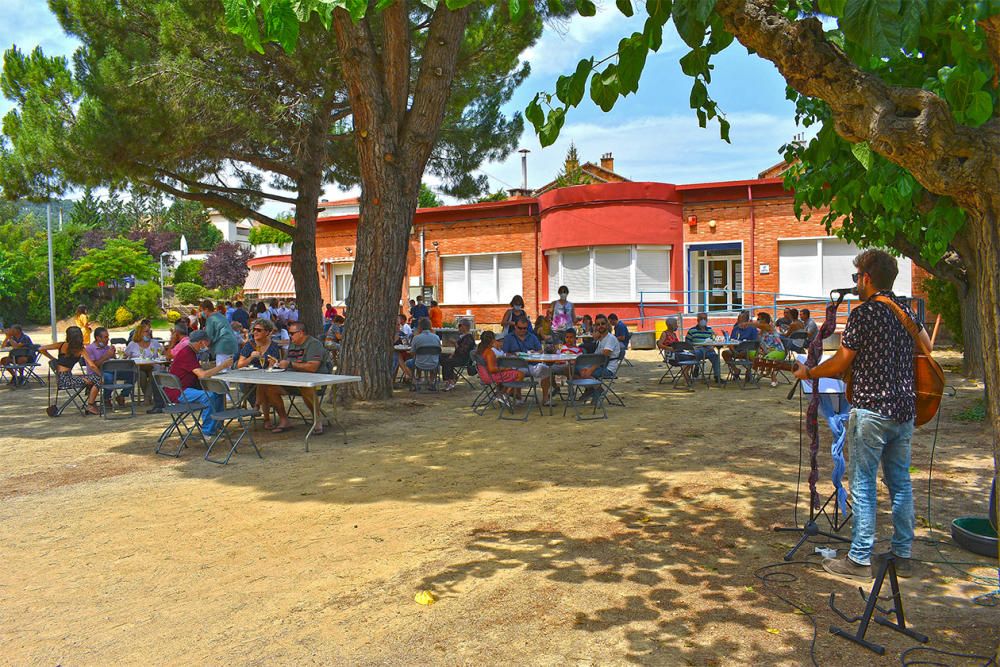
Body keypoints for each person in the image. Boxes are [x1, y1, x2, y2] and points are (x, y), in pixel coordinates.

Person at [794, 249, 925, 582]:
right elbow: (927, 346)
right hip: (904, 410)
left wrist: (809, 373)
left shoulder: (865, 314)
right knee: (900, 484)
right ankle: (902, 555)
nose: (855, 283)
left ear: (866, 278)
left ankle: (859, 558)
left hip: (872, 410)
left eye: (856, 277)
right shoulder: (904, 310)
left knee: (863, 484)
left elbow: (839, 364)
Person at [260, 321, 331, 434]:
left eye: (292, 333)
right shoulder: (293, 344)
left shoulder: (314, 344)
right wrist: (277, 363)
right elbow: (287, 362)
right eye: (289, 333)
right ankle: (284, 420)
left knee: (306, 387)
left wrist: (289, 364)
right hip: (292, 381)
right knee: (269, 387)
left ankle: (317, 420)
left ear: (301, 332)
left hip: (314, 382)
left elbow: (312, 367)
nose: (290, 336)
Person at [155, 330, 229, 433]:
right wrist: (222, 366)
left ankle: (217, 425)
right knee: (209, 396)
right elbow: (202, 375)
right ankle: (208, 431)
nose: (208, 345)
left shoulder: (190, 352)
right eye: (207, 342)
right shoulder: (187, 353)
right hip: (179, 392)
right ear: (201, 342)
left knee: (219, 392)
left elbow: (197, 369)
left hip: (182, 389)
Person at [39, 326, 103, 415]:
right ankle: (90, 404)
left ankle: (91, 401)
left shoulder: (61, 345)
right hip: (68, 379)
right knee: (98, 379)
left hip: (62, 379)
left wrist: (53, 359)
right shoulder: (80, 349)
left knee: (90, 379)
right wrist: (101, 375)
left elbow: (41, 349)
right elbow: (92, 365)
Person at [236, 317, 282, 427]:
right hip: (249, 380)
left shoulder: (273, 346)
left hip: (268, 378)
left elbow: (274, 365)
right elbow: (239, 365)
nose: (255, 332)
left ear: (267, 332)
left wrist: (273, 363)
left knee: (264, 383)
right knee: (263, 384)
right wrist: (250, 358)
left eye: (259, 330)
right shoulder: (249, 345)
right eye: (254, 329)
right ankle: (265, 419)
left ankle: (257, 405)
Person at [502, 316, 552, 405]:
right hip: (517, 366)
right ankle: (518, 397)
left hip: (532, 365)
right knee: (516, 371)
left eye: (524, 328)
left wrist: (535, 352)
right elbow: (504, 354)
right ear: (515, 327)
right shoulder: (508, 338)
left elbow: (540, 350)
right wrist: (514, 354)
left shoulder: (532, 337)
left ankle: (545, 399)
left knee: (546, 369)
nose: (522, 330)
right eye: (520, 328)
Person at [575, 314, 620, 402]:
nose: (600, 326)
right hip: (600, 366)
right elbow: (596, 357)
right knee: (573, 370)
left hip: (607, 369)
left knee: (584, 373)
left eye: (602, 323)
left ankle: (597, 389)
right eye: (598, 324)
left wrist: (590, 369)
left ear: (607, 325)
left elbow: (603, 358)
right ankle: (591, 389)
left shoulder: (610, 339)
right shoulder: (601, 339)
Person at [87, 326, 133, 407]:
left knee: (132, 373)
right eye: (105, 337)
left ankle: (122, 395)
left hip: (112, 371)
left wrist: (117, 356)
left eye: (108, 336)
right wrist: (106, 356)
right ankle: (106, 398)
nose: (108, 339)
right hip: (97, 373)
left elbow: (113, 362)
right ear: (98, 338)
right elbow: (93, 365)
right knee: (109, 377)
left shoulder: (107, 347)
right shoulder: (90, 349)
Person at [475, 330, 523, 405]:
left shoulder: (481, 350)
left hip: (484, 375)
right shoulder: (489, 352)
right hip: (490, 376)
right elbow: (492, 369)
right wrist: (506, 369)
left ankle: (501, 393)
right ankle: (505, 394)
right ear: (492, 340)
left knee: (514, 373)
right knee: (519, 374)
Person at [125, 320, 164, 403]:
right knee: (141, 375)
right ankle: (147, 397)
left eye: (149, 331)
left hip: (152, 366)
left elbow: (162, 353)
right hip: (139, 367)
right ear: (140, 333)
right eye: (146, 332)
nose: (148, 333)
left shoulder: (154, 343)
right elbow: (125, 356)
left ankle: (146, 397)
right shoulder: (132, 344)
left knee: (154, 374)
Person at [684, 312, 722, 384]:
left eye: (705, 318)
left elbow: (713, 341)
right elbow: (687, 343)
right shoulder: (692, 330)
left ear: (707, 320)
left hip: (708, 350)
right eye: (701, 318)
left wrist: (712, 346)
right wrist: (693, 347)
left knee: (716, 357)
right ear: (697, 320)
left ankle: (717, 376)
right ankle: (696, 367)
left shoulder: (710, 330)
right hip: (697, 350)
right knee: (698, 352)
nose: (703, 320)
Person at [403, 317, 441, 384]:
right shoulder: (436, 337)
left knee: (406, 363)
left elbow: (412, 353)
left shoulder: (416, 338)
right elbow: (439, 350)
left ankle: (414, 381)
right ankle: (431, 381)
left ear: (419, 327)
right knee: (432, 357)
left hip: (419, 363)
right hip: (434, 363)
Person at [722, 311, 759, 378]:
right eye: (738, 320)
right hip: (736, 350)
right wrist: (733, 350)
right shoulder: (736, 329)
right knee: (725, 353)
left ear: (746, 321)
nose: (739, 322)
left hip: (747, 350)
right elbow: (731, 341)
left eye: (741, 321)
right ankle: (735, 370)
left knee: (750, 353)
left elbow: (755, 342)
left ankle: (748, 371)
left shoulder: (752, 329)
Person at [441, 319, 476, 391]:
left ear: (464, 326)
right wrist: (452, 354)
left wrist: (455, 343)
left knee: (447, 361)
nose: (458, 327)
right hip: (459, 356)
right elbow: (458, 350)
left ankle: (450, 381)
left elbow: (462, 351)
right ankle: (452, 376)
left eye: (460, 325)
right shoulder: (463, 336)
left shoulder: (468, 338)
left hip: (464, 359)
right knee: (440, 356)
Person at [202, 299, 239, 366]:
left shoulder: (210, 319)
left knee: (221, 371)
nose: (203, 313)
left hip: (222, 346)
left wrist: (202, 348)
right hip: (232, 344)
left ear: (206, 309)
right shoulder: (220, 315)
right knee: (228, 371)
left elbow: (208, 337)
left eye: (203, 310)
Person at [754, 312, 786, 387]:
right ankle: (760, 372)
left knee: (768, 359)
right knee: (753, 356)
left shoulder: (768, 327)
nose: (757, 320)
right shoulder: (761, 331)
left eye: (759, 319)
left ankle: (773, 378)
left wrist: (747, 324)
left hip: (778, 351)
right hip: (767, 351)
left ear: (764, 320)